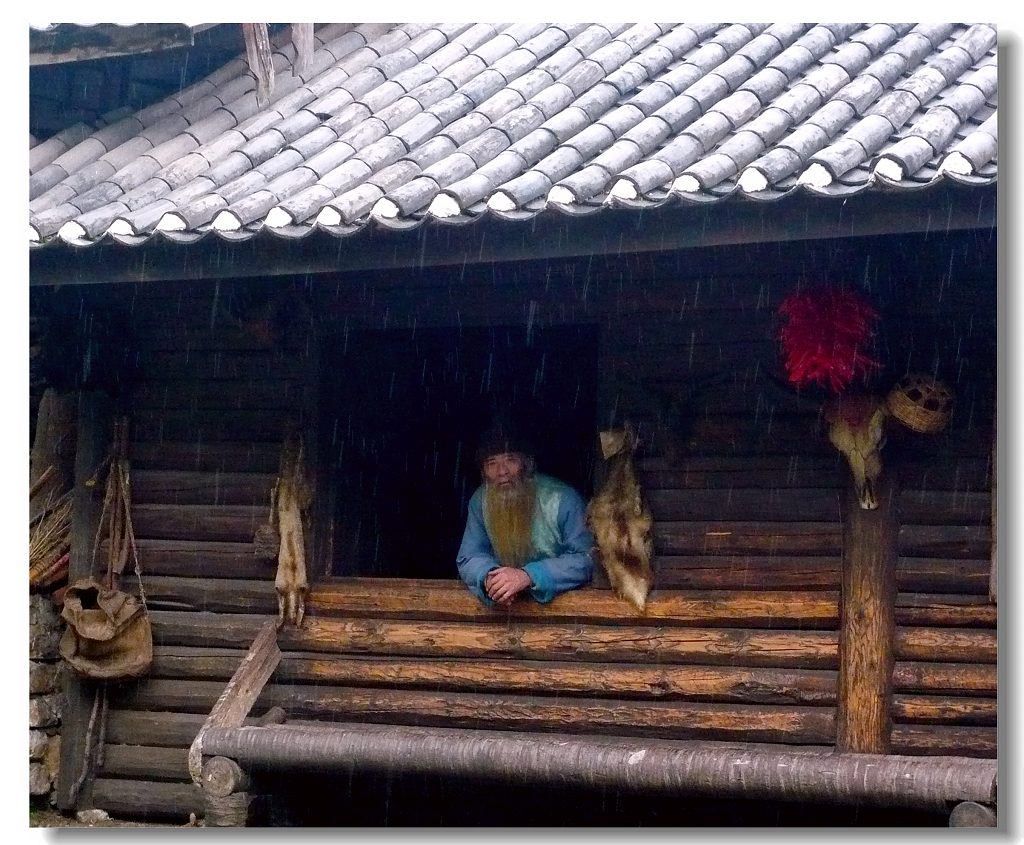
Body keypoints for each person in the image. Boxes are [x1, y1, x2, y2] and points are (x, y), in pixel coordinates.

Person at [456, 421, 594, 607]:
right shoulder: (480, 501)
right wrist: (490, 578)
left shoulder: (562, 499)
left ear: (527, 463)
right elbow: (469, 556)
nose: (502, 471)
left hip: (564, 609)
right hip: (504, 610)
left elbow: (587, 558)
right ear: (483, 472)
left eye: (510, 460)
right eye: (492, 463)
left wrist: (528, 575)